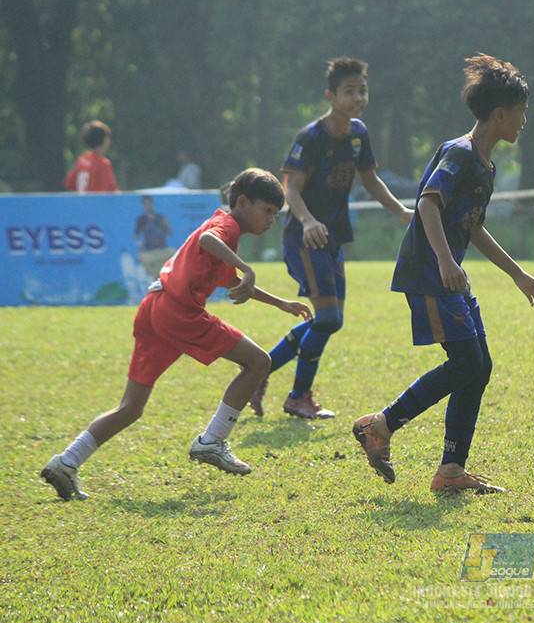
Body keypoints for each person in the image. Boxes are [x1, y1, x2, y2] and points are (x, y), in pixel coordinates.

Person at [40, 169, 312, 501]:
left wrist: (280, 302)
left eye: (275, 214)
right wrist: (248, 268)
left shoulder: (227, 228)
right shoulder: (226, 226)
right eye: (267, 211)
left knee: (130, 407)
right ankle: (212, 441)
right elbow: (206, 240)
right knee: (258, 362)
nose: (271, 219)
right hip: (178, 313)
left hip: (155, 307)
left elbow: (229, 281)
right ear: (243, 203)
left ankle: (65, 463)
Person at [352, 54, 534, 494]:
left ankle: (451, 472)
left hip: (448, 274)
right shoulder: (460, 153)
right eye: (522, 113)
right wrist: (444, 260)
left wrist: (517, 274)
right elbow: (427, 203)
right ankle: (382, 425)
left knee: (478, 367)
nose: (524, 121)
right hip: (429, 272)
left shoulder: (486, 165)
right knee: (467, 363)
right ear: (500, 114)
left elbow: (472, 226)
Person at [249, 57, 412, 420]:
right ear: (330, 95)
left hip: (334, 237)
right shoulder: (310, 138)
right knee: (326, 318)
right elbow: (290, 190)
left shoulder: (358, 134)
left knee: (328, 319)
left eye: (362, 91)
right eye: (349, 92)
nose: (358, 98)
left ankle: (260, 372)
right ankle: (296, 395)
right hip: (305, 238)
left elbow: (370, 180)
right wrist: (307, 221)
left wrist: (401, 211)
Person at [63, 120, 120, 193]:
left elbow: (69, 183)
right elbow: (111, 190)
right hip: (95, 203)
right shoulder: (103, 164)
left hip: (81, 203)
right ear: (104, 140)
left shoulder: (82, 160)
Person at [135, 195, 176, 276]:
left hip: (162, 249)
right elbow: (136, 235)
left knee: (174, 254)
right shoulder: (142, 219)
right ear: (143, 205)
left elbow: (170, 233)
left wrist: (167, 225)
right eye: (145, 204)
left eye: (149, 203)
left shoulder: (160, 218)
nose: (148, 206)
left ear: (152, 204)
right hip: (150, 250)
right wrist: (140, 244)